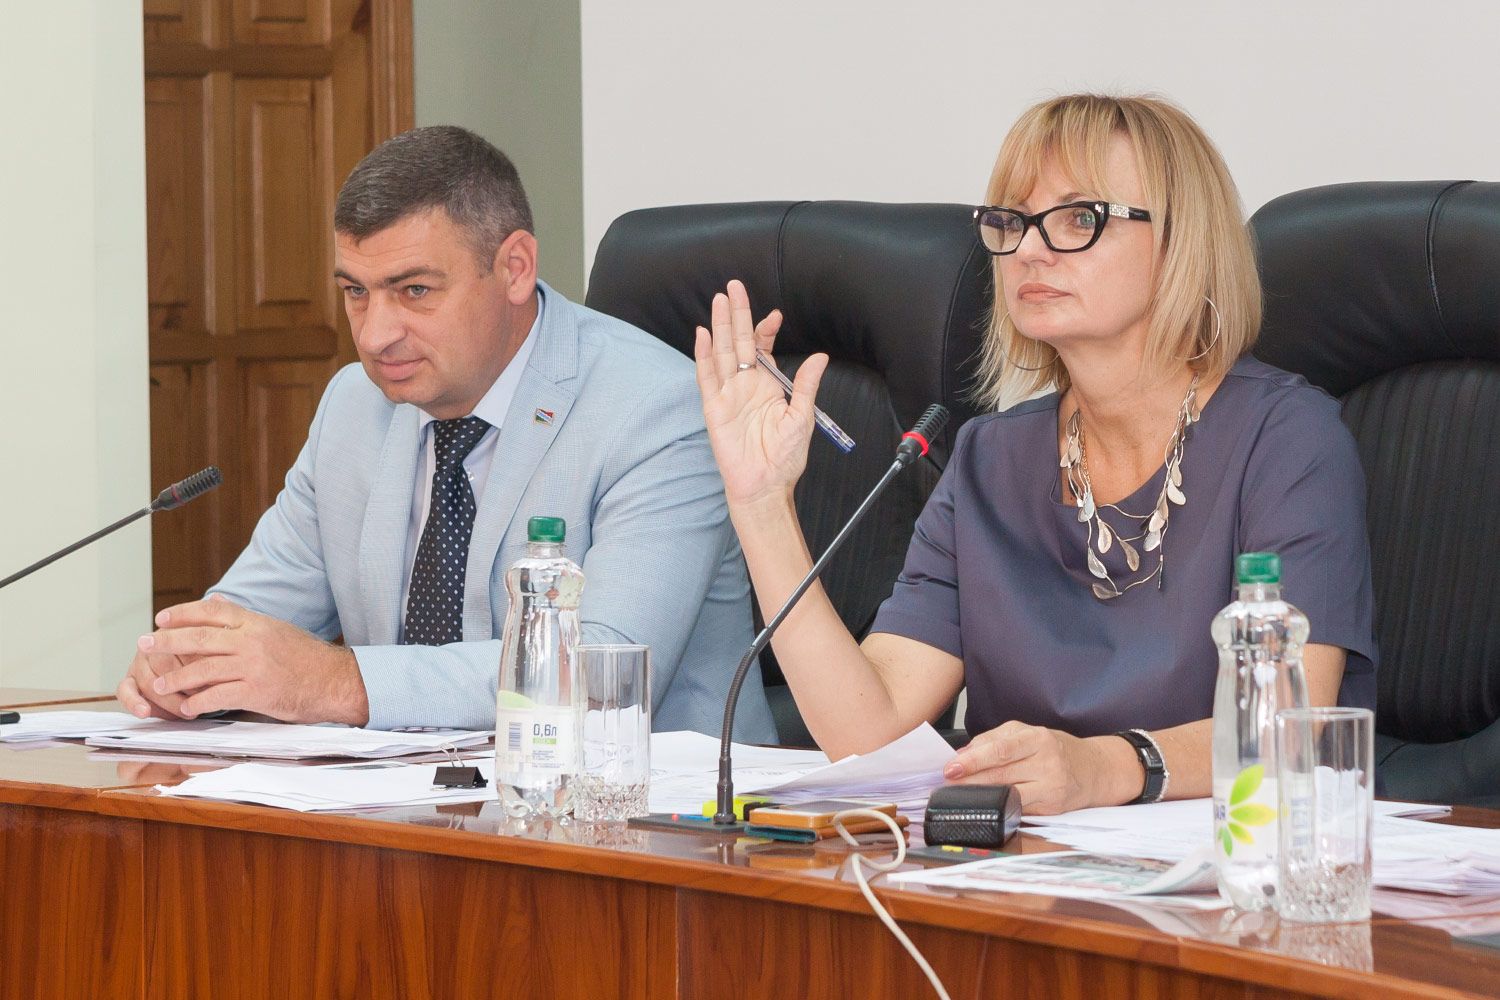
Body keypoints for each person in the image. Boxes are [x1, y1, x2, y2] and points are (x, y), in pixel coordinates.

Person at [693, 94, 1376, 813]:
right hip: (1026, 862)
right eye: (1011, 222)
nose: (1028, 249)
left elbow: (1292, 725)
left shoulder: (1287, 439)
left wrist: (1106, 768)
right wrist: (761, 503)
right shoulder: (989, 459)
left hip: (1243, 858)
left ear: (1183, 243)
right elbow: (867, 732)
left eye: (1080, 218)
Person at [117, 125, 775, 741]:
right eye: (355, 292)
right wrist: (188, 662)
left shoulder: (655, 409)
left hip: (644, 810)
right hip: (406, 804)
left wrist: (338, 683)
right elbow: (253, 615)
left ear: (514, 268)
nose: (375, 335)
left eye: (414, 291)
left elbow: (603, 673)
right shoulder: (354, 405)